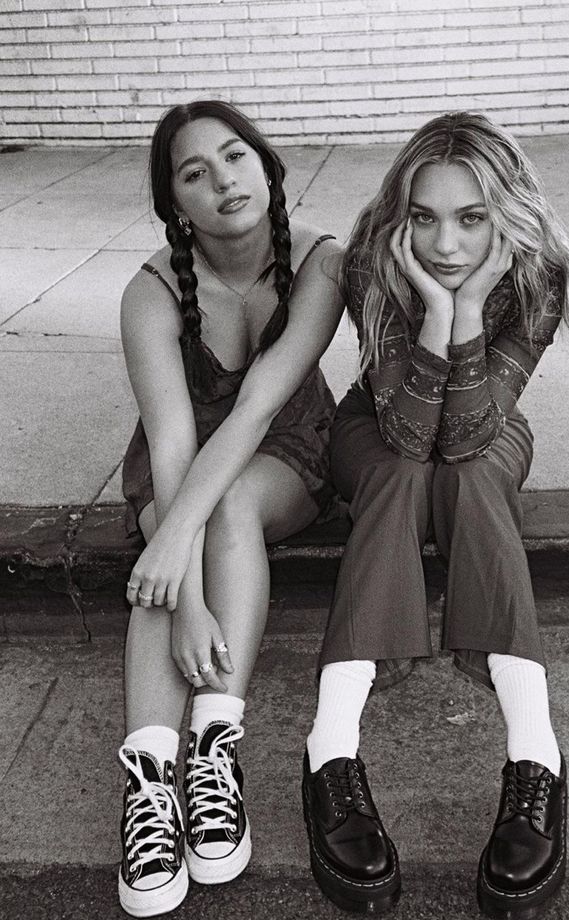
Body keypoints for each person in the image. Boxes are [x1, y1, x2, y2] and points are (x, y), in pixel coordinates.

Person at [301, 112, 569, 917]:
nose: (446, 244)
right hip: (379, 424)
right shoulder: (371, 259)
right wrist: (437, 310)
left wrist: (468, 315)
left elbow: (467, 434)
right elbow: (402, 429)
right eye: (426, 217)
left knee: (466, 478)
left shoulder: (538, 273)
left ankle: (535, 756)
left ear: (505, 215)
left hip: (486, 421)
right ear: (402, 214)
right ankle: (331, 750)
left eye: (471, 219)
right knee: (401, 474)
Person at [117, 100, 342, 918]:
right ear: (175, 203)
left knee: (225, 511)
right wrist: (185, 591)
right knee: (165, 541)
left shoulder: (321, 264)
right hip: (180, 466)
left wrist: (182, 561)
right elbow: (174, 447)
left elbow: (253, 412)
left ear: (268, 165)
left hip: (283, 447)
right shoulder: (147, 295)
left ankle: (213, 752)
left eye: (236, 157)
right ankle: (149, 785)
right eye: (193, 173)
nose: (223, 181)